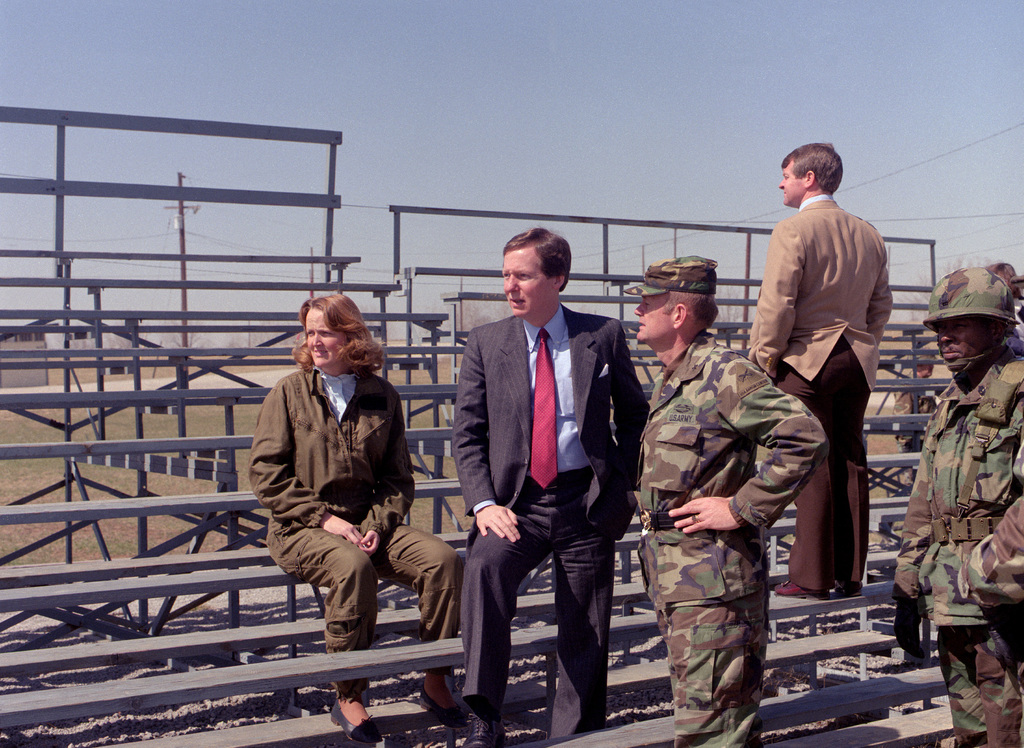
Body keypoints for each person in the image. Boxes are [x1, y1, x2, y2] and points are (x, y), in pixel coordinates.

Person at [452, 227, 648, 747]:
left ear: (557, 278)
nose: (509, 287)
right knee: (485, 572)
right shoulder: (485, 343)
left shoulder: (602, 334)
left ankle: (576, 734)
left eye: (522, 275)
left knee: (584, 623)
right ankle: (484, 716)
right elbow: (467, 435)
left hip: (584, 500)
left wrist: (620, 489)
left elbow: (634, 417)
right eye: (505, 276)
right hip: (516, 503)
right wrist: (483, 504)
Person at [626, 257, 827, 747]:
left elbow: (805, 436)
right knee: (719, 725)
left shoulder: (725, 373)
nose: (637, 310)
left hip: (713, 583)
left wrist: (741, 507)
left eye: (647, 302)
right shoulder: (675, 376)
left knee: (711, 732)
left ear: (677, 314)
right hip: (684, 578)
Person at [249, 294, 465, 746]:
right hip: (301, 528)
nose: (315, 341)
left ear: (352, 336)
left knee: (444, 561)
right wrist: (324, 519)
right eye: (309, 332)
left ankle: (436, 679)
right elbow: (266, 476)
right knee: (352, 567)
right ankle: (348, 692)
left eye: (325, 331)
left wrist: (376, 523)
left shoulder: (383, 395)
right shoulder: (288, 393)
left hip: (369, 524)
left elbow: (398, 478)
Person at [749, 142, 892, 600]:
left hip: (807, 358)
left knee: (809, 460)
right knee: (850, 461)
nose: (781, 182)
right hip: (857, 359)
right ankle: (850, 574)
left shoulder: (792, 231)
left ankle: (811, 577)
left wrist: (765, 358)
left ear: (809, 178)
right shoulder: (870, 234)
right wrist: (863, 341)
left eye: (786, 174)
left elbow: (777, 303)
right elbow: (881, 304)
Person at [893, 268, 1024, 747]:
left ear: (997, 327)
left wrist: (997, 581)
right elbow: (924, 500)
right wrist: (908, 586)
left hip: (1003, 600)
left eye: (960, 324)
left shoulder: (1020, 393)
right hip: (951, 598)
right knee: (970, 731)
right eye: (939, 327)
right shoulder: (951, 400)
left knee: (1009, 731)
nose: (944, 335)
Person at [894, 363, 936, 486]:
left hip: (925, 439)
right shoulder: (908, 385)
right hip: (911, 440)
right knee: (913, 482)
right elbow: (902, 417)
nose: (931, 367)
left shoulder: (925, 383)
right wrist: (907, 441)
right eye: (927, 364)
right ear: (917, 366)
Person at [987, 262, 1024, 355]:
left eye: (1008, 280)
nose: (1006, 284)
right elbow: (1008, 340)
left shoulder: (1018, 306)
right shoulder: (993, 311)